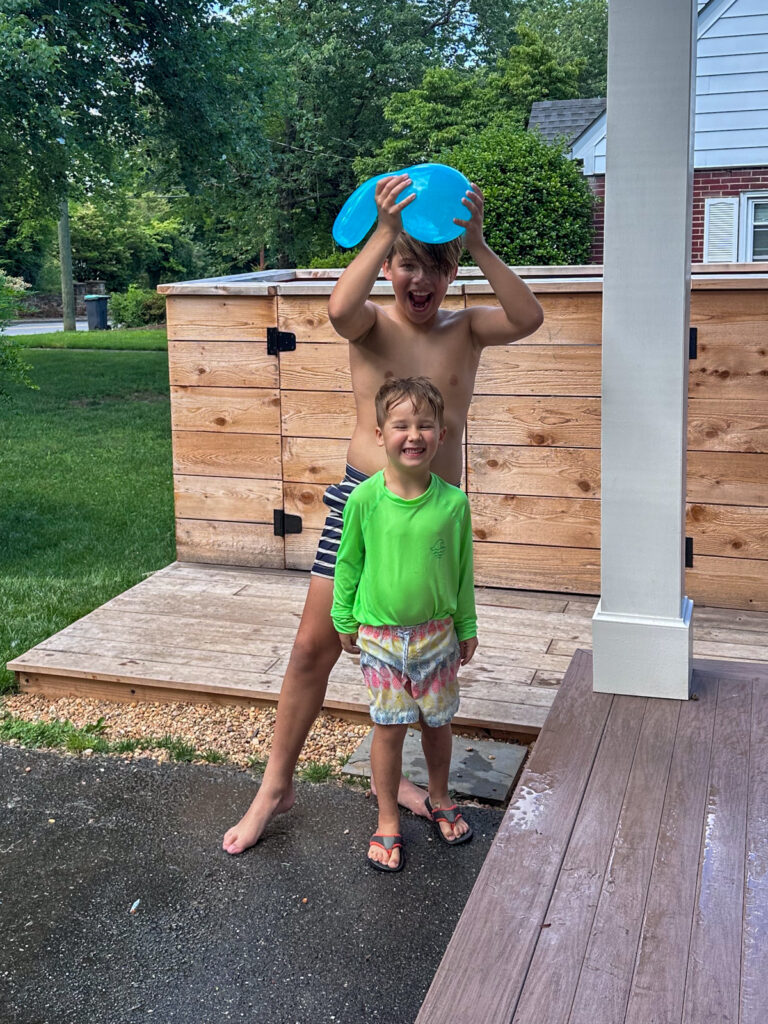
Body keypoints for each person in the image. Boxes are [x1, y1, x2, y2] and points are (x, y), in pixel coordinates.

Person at [222, 173, 543, 855]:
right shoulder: (371, 324)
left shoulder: (468, 330)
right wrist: (381, 231)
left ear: (452, 274)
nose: (419, 280)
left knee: (426, 660)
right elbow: (340, 308)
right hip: (363, 505)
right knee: (315, 645)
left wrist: (480, 245)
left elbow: (528, 317)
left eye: (435, 267)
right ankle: (276, 784)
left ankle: (401, 780)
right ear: (389, 268)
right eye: (406, 265)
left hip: (433, 520)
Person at [332, 377, 477, 872]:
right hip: (380, 639)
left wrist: (467, 624)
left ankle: (439, 796)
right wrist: (342, 614)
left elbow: (462, 570)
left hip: (437, 636)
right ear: (379, 434)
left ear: (441, 434)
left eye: (425, 425)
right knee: (388, 729)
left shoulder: (453, 504)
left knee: (438, 724)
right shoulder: (364, 501)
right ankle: (389, 816)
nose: (413, 435)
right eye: (401, 425)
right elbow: (348, 561)